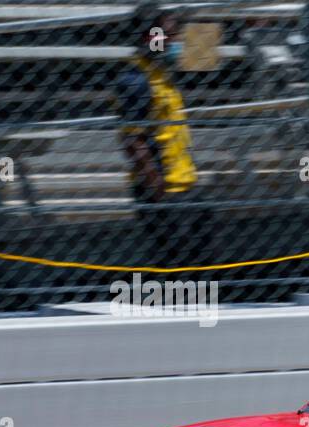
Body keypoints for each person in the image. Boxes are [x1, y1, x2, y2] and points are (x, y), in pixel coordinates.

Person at [116, 3, 211, 263]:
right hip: (164, 188)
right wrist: (159, 191)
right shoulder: (135, 80)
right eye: (170, 35)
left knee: (198, 259)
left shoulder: (162, 75)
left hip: (186, 185)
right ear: (151, 38)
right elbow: (133, 140)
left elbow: (207, 59)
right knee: (173, 261)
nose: (177, 41)